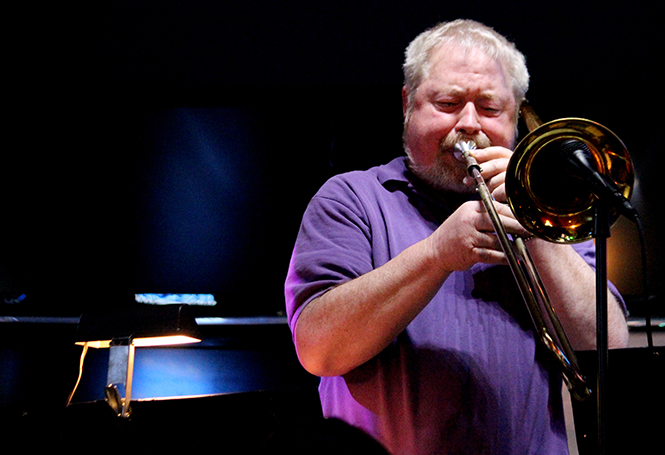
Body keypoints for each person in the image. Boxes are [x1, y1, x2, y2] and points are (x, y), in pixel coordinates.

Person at [284, 19, 629, 455]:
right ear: (408, 103)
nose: (469, 124)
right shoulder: (351, 199)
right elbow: (318, 350)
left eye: (489, 108)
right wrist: (436, 255)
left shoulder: (550, 211)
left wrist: (533, 227)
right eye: (447, 103)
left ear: (517, 114)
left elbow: (610, 344)